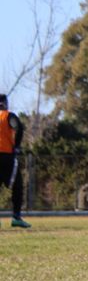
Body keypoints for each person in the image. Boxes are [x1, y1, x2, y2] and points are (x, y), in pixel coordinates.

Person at [0, 94, 30, 228]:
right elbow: (19, 128)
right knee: (17, 185)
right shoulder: (8, 115)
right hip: (6, 155)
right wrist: (16, 146)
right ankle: (16, 216)